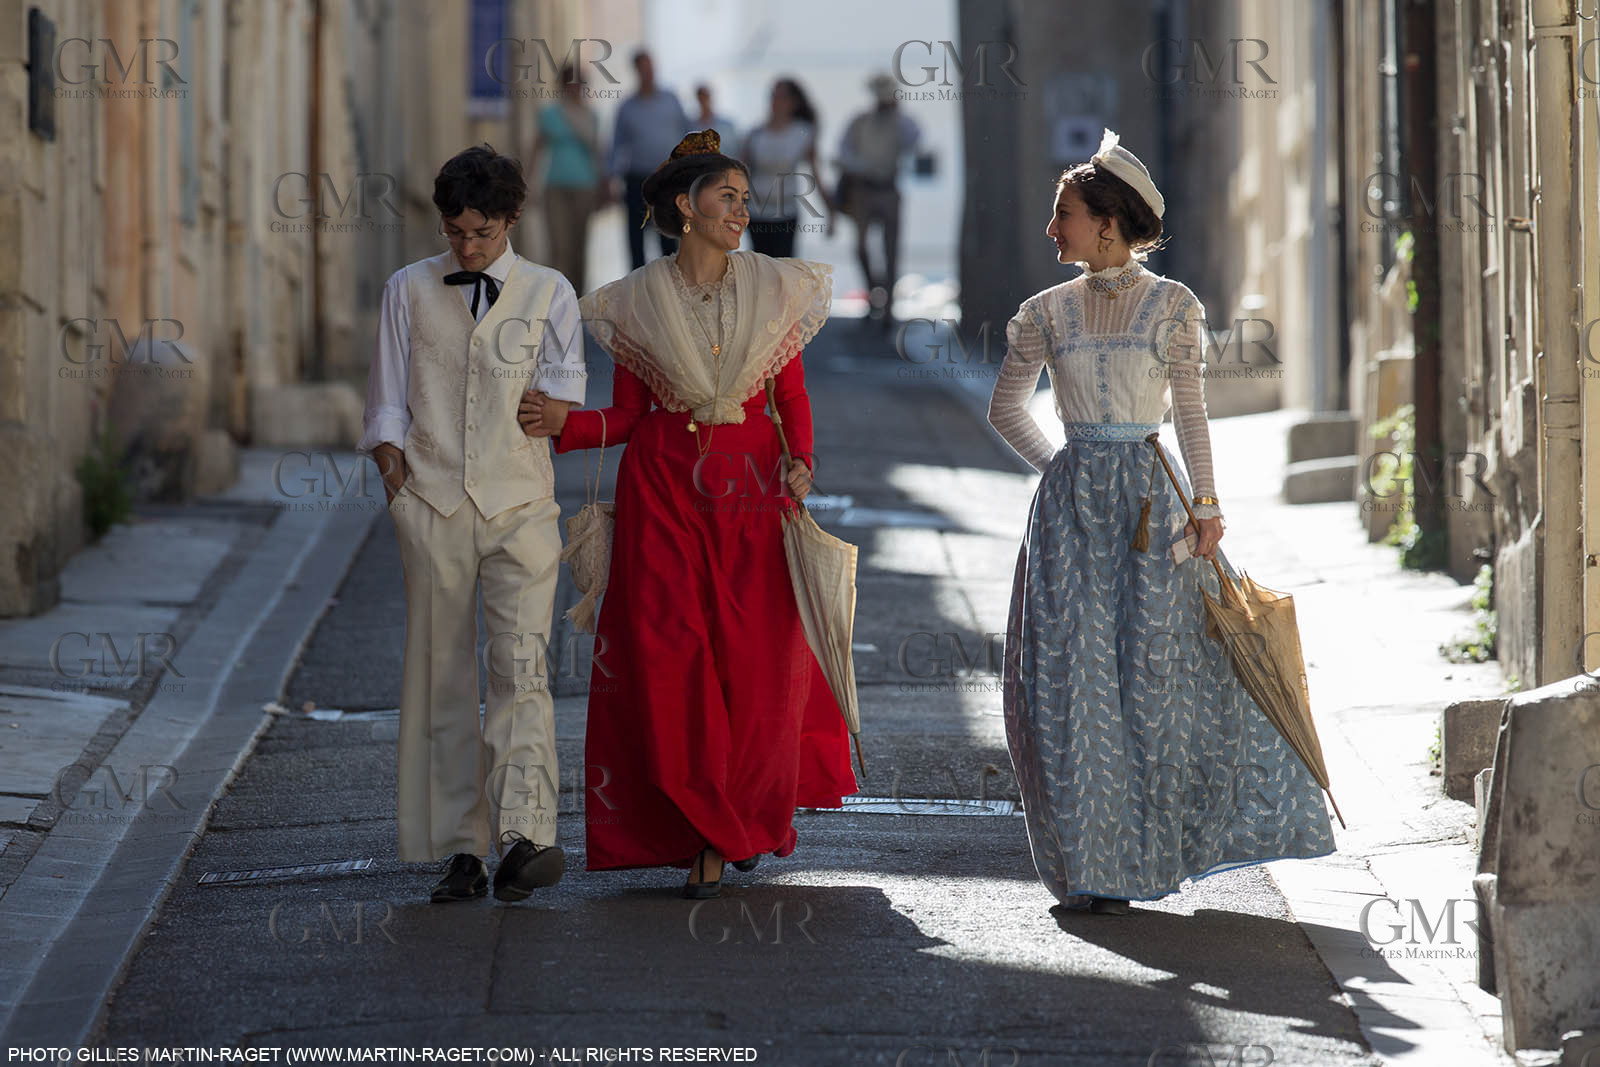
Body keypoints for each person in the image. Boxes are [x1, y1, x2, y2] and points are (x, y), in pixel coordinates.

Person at [985, 130, 1334, 915]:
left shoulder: (1174, 305)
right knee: (1067, 683)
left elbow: (1192, 414)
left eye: (1063, 214)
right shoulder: (1045, 313)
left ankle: (1149, 855)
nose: (1052, 230)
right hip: (1070, 519)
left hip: (1153, 513)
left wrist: (1206, 504)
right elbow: (1005, 408)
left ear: (1106, 223)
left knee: (1156, 681)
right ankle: (1091, 864)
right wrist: (1063, 470)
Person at [518, 130, 856, 898]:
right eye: (727, 196)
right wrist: (563, 425)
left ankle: (740, 813)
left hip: (753, 490)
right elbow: (630, 416)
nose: (742, 209)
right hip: (662, 492)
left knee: (756, 663)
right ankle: (703, 828)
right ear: (686, 205)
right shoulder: (632, 301)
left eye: (744, 198)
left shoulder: (776, 286)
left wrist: (801, 459)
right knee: (672, 664)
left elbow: (791, 392)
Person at [358, 144, 587, 904]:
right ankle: (460, 845)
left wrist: (552, 407)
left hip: (521, 505)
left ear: (512, 219)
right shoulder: (406, 290)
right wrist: (398, 483)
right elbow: (387, 401)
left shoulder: (552, 293)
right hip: (432, 502)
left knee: (521, 666)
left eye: (482, 233)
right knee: (441, 672)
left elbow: (559, 399)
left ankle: (526, 834)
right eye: (456, 232)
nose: (467, 246)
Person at [836, 73, 921, 327]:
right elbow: (844, 151)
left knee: (891, 249)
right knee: (861, 247)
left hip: (887, 188)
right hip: (863, 189)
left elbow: (914, 141)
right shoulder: (860, 122)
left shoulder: (901, 122)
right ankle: (874, 292)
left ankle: (888, 307)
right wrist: (862, 167)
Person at [608, 49, 690, 269]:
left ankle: (673, 285)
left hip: (668, 179)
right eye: (643, 68)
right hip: (638, 180)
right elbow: (616, 145)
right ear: (636, 71)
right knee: (636, 238)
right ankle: (637, 289)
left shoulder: (671, 100)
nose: (648, 72)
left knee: (669, 235)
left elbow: (686, 132)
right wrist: (610, 178)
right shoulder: (627, 107)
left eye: (651, 67)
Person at [532, 63, 604, 294]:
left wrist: (604, 185)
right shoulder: (550, 114)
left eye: (578, 83)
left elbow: (598, 153)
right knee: (559, 246)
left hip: (584, 186)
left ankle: (578, 296)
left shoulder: (590, 116)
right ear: (563, 85)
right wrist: (527, 183)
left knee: (579, 246)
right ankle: (558, 295)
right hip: (555, 187)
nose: (574, 87)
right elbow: (537, 149)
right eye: (570, 83)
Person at [742, 78, 830, 258]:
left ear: (792, 102)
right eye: (773, 96)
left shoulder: (802, 133)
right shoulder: (755, 133)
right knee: (759, 266)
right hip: (757, 210)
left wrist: (829, 210)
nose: (775, 102)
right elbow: (741, 172)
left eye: (781, 97)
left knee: (783, 267)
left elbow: (816, 174)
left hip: (786, 211)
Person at [692, 83, 738, 148]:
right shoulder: (691, 127)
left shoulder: (726, 125)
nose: (704, 101)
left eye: (706, 97)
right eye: (701, 98)